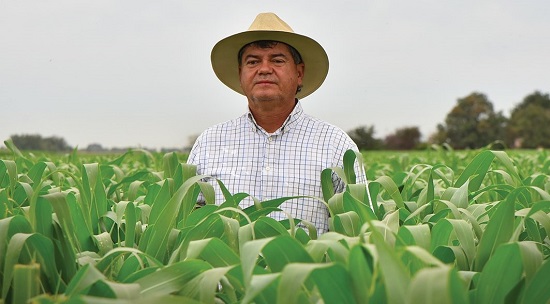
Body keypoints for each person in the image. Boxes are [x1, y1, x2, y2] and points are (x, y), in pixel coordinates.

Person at [187, 12, 367, 234]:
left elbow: (357, 229)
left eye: (277, 60)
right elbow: (190, 226)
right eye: (253, 61)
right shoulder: (209, 143)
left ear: (299, 73)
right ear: (240, 74)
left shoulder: (335, 145)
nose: (264, 69)